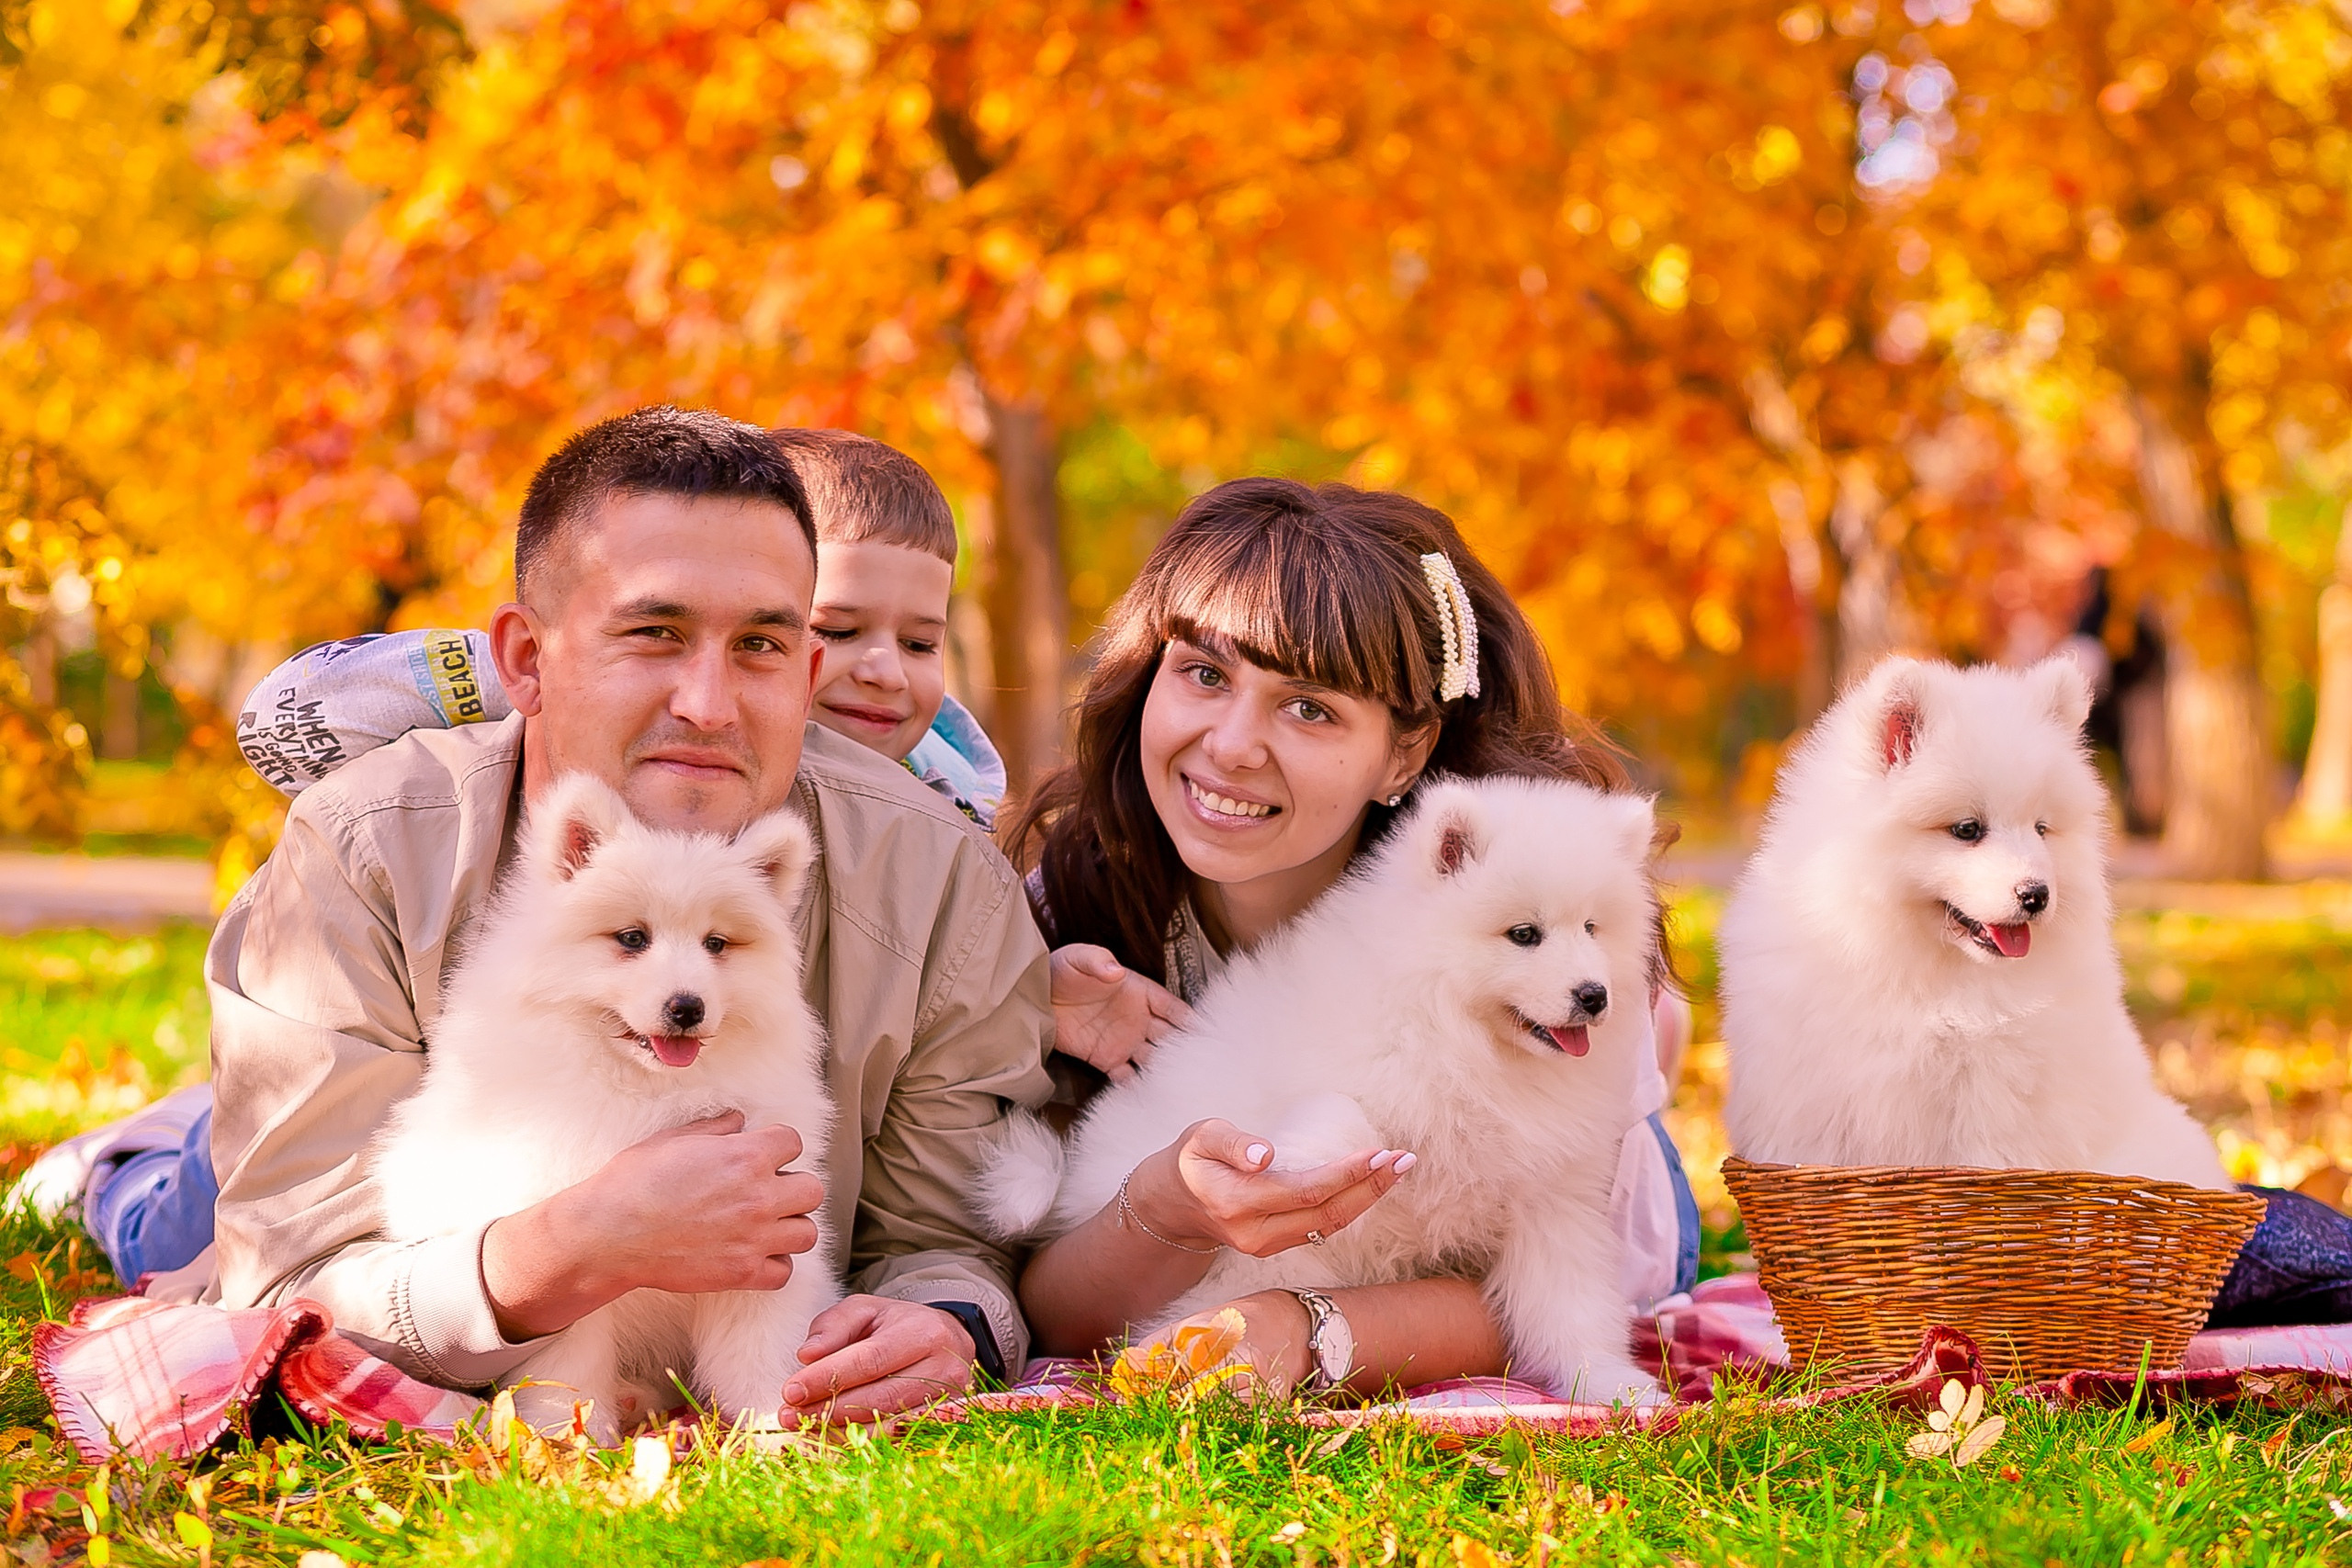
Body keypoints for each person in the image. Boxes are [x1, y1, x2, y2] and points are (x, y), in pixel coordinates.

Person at [65, 407, 1053, 1424]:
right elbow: (284, 1282)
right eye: (654, 633)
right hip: (250, 1164)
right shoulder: (362, 846)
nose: (709, 704)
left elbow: (953, 1232)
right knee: (163, 1212)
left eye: (759, 644)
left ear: (806, 675)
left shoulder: (941, 883)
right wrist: (566, 1250)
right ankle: (111, 1159)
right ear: (525, 660)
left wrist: (948, 1319)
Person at [1008, 476, 1699, 1397]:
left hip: (1618, 1217)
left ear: (1404, 755)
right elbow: (1053, 1299)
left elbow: (1596, 1269)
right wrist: (1021, 1005)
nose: (1231, 745)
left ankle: (1659, 1048)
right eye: (1205, 674)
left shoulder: (1533, 876)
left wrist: (1308, 1332)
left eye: (1310, 708)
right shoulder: (1077, 908)